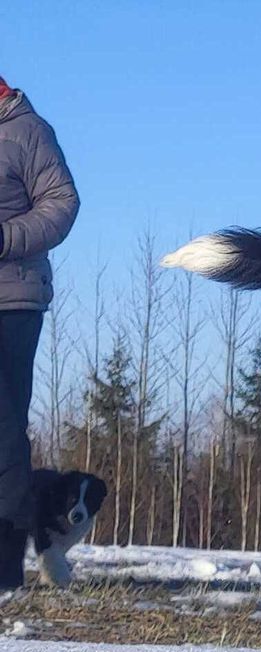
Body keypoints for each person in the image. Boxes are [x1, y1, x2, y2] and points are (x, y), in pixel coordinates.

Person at [0, 75, 79, 589]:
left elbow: (62, 203)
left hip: (11, 301)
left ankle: (5, 567)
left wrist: (5, 237)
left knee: (2, 430)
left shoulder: (28, 131)